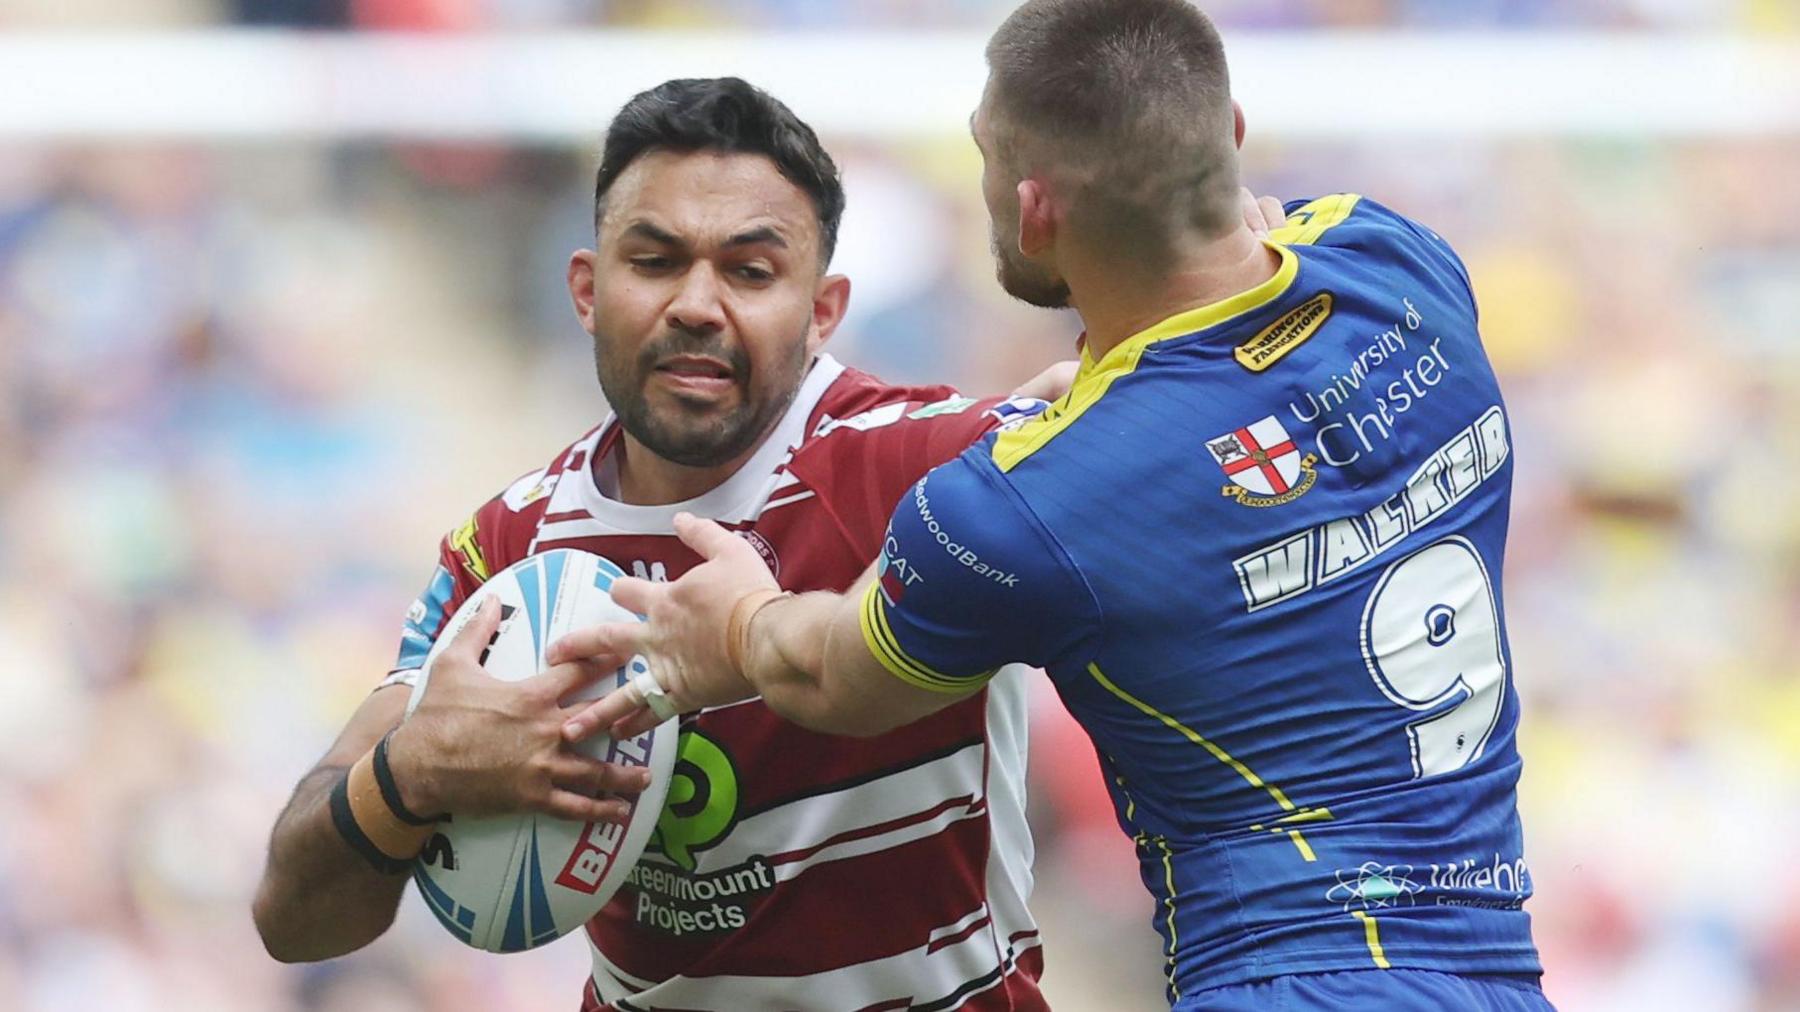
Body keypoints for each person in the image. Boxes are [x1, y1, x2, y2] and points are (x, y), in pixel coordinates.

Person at [555, 3, 1553, 1010]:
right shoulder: (1400, 258)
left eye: (986, 159)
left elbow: (827, 675)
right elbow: (1256, 296)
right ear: (1233, 138)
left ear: (1033, 210)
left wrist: (734, 621)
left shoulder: (1031, 500)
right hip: (1501, 973)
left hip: (1288, 981)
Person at [252, 76, 1094, 1010]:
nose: (696, 304)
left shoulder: (928, 465)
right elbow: (294, 920)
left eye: (750, 271)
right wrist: (406, 777)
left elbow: (1113, 410)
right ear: (586, 288)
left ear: (823, 311)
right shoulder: (509, 550)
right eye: (654, 260)